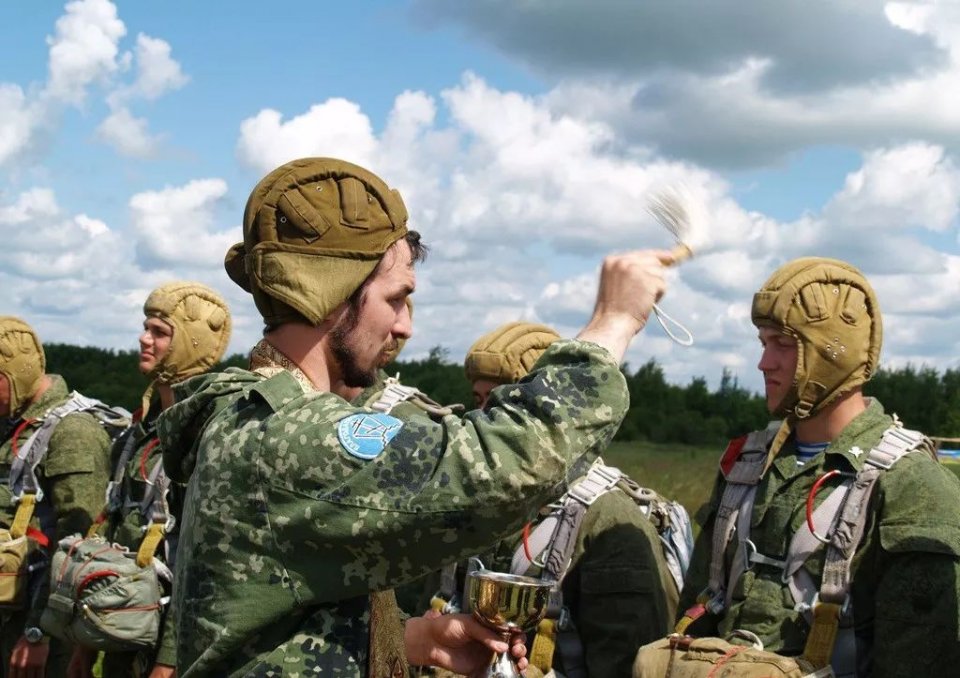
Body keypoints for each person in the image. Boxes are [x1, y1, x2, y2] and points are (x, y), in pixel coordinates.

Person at [156, 157, 673, 677]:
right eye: (396, 298)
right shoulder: (285, 437)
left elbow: (272, 622)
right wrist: (614, 323)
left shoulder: (252, 419)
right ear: (329, 297)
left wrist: (412, 639)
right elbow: (504, 464)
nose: (404, 326)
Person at [635, 257, 960, 677]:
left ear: (831, 353)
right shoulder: (746, 467)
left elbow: (920, 661)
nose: (764, 363)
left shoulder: (912, 487)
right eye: (763, 342)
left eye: (783, 345)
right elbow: (698, 615)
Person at [452, 321, 687, 678]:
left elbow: (630, 667)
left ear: (546, 413)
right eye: (479, 402)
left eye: (504, 405)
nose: (484, 422)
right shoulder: (473, 508)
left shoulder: (609, 523)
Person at [66, 283, 231, 678]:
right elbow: (113, 526)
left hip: (169, 641)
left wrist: (168, 660)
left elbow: (202, 557)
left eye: (160, 331)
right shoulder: (142, 429)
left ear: (190, 343)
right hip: (122, 625)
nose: (144, 338)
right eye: (146, 327)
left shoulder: (207, 435)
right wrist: (86, 645)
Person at [0, 317, 113, 677]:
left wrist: (38, 633)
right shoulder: (14, 423)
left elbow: (78, 543)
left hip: (36, 632)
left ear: (16, 374)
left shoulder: (72, 432)